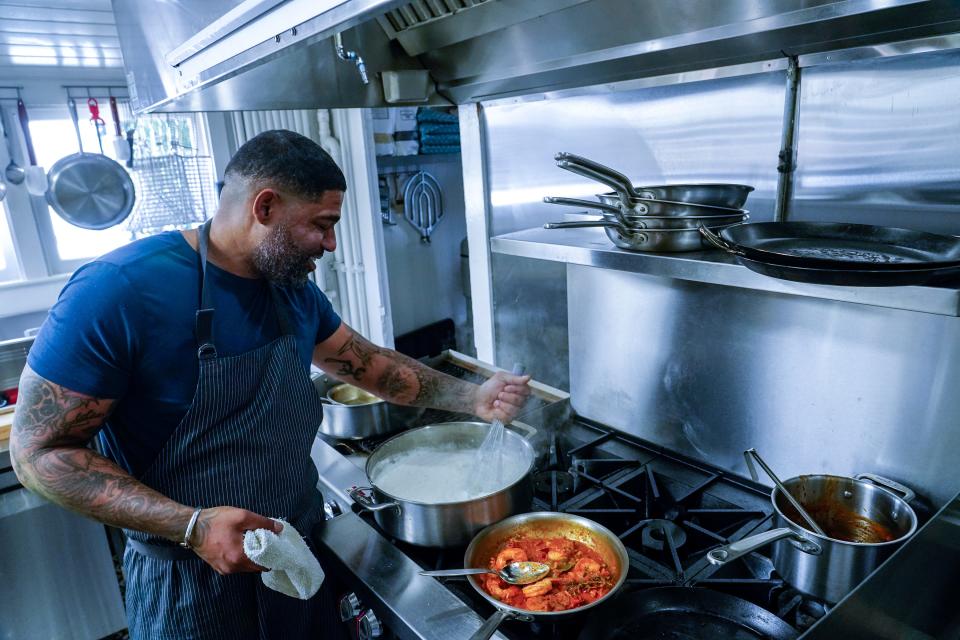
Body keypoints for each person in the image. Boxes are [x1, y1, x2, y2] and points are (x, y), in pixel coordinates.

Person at [10, 130, 531, 639]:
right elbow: (38, 454)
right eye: (322, 225)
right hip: (193, 582)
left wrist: (473, 397)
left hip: (298, 555)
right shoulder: (118, 290)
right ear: (264, 207)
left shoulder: (291, 289)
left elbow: (371, 366)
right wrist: (192, 526)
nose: (330, 244)